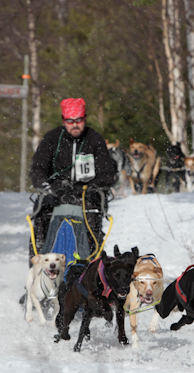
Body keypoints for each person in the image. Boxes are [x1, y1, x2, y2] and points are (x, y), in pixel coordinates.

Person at [28, 98, 116, 259]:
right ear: (63, 121)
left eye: (79, 120)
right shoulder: (52, 139)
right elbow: (37, 169)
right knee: (41, 219)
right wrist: (48, 189)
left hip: (86, 193)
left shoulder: (94, 139)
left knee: (92, 220)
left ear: (85, 118)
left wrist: (94, 189)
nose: (75, 124)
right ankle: (38, 265)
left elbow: (107, 171)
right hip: (56, 192)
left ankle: (90, 261)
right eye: (70, 121)